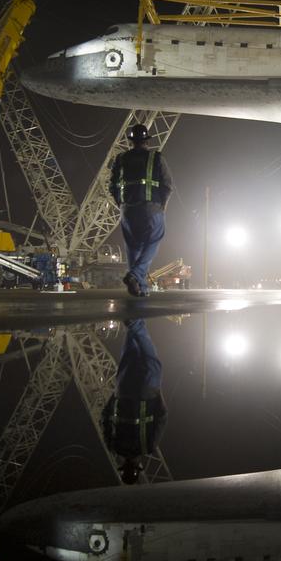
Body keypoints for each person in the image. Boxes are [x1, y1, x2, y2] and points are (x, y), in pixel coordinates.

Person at [109, 123, 173, 296]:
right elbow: (167, 185)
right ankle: (135, 275)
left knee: (133, 246)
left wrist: (121, 205)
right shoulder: (156, 157)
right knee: (154, 239)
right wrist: (162, 206)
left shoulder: (121, 159)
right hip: (151, 208)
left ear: (132, 141)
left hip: (127, 209)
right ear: (146, 140)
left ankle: (140, 287)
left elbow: (113, 186)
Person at [101, 319, 167, 484]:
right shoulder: (113, 446)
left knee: (151, 362)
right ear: (122, 466)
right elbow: (105, 418)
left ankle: (136, 323)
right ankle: (131, 324)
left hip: (147, 395)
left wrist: (157, 394)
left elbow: (162, 418)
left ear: (138, 466)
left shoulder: (148, 447)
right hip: (124, 394)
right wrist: (115, 395)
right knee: (129, 357)